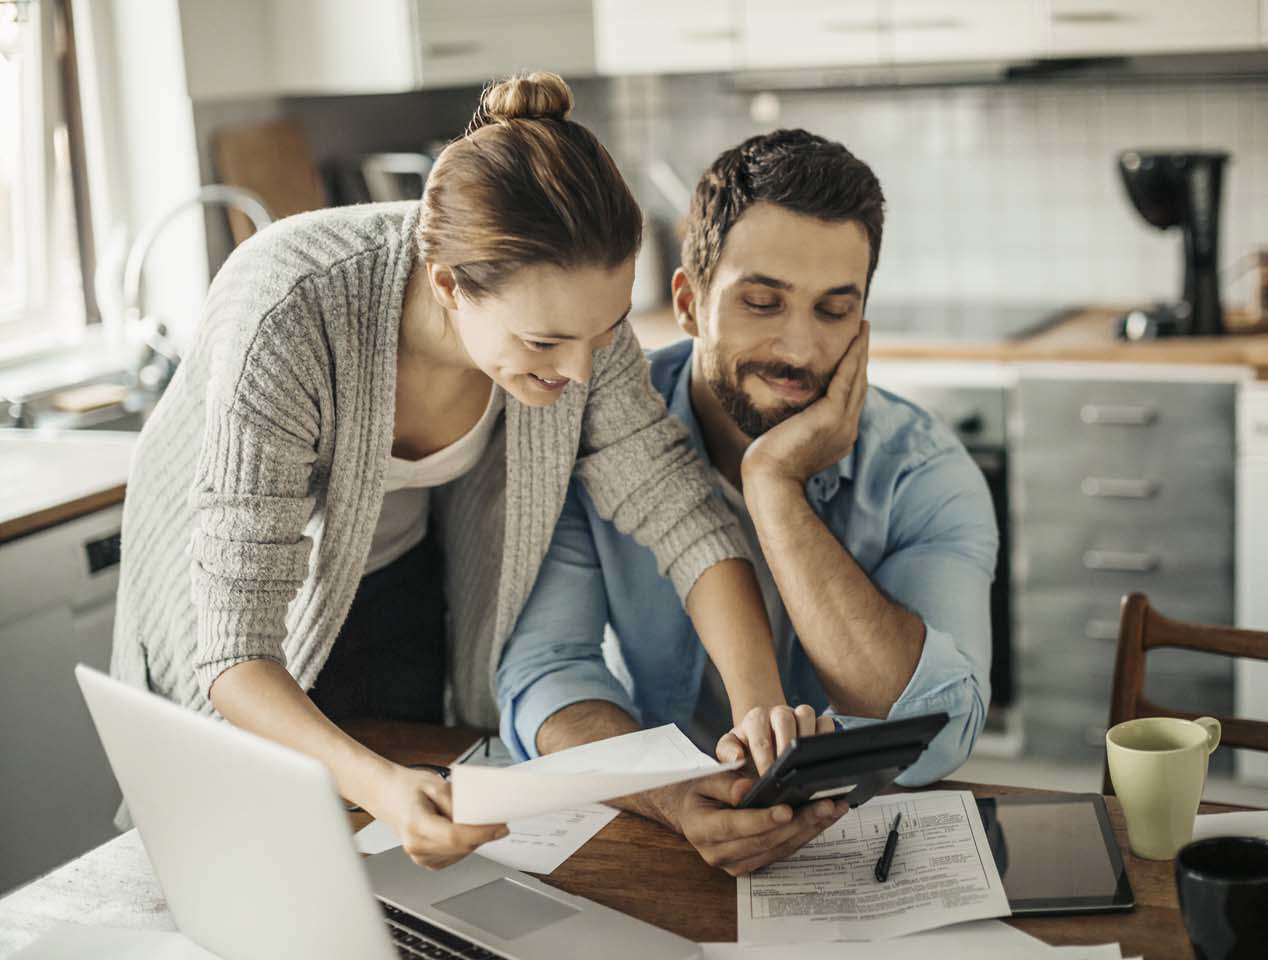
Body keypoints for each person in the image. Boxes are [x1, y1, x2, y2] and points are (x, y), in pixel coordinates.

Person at [111, 73, 794, 870]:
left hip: (396, 584)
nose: (579, 371)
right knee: (245, 859)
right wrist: (383, 786)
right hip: (234, 623)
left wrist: (759, 711)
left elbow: (680, 510)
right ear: (446, 285)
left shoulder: (575, 327)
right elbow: (234, 650)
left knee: (390, 876)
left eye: (604, 332)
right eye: (543, 344)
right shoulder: (290, 308)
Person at [496, 129, 999, 876]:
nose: (797, 349)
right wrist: (669, 793)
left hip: (851, 855)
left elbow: (939, 730)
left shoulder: (923, 472)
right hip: (656, 830)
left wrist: (775, 488)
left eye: (833, 311)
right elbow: (547, 675)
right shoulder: (593, 438)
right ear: (689, 304)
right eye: (763, 302)